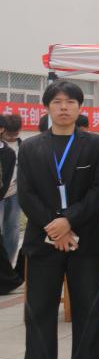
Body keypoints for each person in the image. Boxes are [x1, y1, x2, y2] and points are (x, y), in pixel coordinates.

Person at [17, 81, 99, 359]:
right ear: (47, 107)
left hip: (85, 240)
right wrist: (55, 227)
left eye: (70, 102)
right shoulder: (31, 147)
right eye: (57, 102)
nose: (63, 107)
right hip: (43, 240)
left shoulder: (96, 145)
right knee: (39, 311)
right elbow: (26, 193)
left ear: (79, 107)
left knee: (88, 308)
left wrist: (68, 221)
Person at [1, 114, 23, 268]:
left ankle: (8, 265)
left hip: (15, 193)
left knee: (13, 228)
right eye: (10, 134)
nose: (12, 137)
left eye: (16, 133)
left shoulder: (24, 146)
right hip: (0, 193)